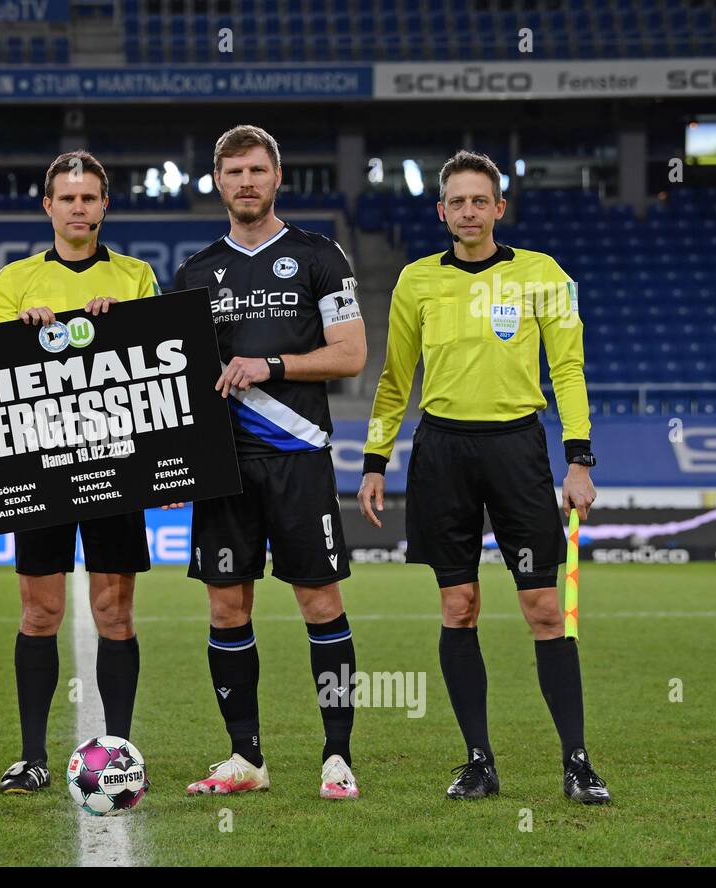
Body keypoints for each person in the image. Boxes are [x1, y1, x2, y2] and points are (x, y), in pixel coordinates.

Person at [357, 149, 610, 804]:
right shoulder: (416, 280)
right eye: (457, 202)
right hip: (442, 450)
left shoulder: (543, 274)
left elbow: (569, 370)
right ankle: (478, 761)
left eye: (480, 201)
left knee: (544, 608)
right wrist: (376, 460)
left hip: (516, 450)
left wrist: (579, 459)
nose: (468, 211)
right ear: (442, 213)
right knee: (458, 606)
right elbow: (395, 380)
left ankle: (577, 762)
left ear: (499, 208)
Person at [172, 126, 368, 799]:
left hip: (298, 457)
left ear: (276, 177)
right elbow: (181, 380)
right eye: (233, 172)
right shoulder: (195, 271)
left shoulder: (319, 256)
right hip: (223, 467)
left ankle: (337, 757)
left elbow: (350, 354)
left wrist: (272, 365)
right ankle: (245, 759)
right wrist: (172, 464)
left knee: (320, 600)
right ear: (219, 183)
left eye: (257, 170)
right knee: (227, 608)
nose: (246, 182)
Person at [0, 150, 160, 794]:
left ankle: (117, 751)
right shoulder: (14, 281)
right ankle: (32, 757)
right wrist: (21, 335)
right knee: (39, 614)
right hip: (41, 462)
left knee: (115, 614)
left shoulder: (137, 276)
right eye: (67, 198)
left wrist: (129, 325)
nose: (78, 207)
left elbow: (163, 364)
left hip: (115, 463)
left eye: (89, 198)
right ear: (48, 207)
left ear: (104, 206)